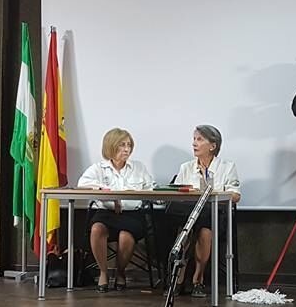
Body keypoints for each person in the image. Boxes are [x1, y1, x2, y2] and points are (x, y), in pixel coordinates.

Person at [77, 128, 155, 292]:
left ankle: (120, 273)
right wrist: (106, 192)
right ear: (111, 146)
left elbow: (151, 189)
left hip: (132, 215)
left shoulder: (139, 167)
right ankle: (103, 272)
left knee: (125, 236)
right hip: (106, 214)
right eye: (122, 145)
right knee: (97, 229)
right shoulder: (98, 168)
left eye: (129, 145)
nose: (127, 149)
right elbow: (82, 184)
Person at [172, 125, 240, 298]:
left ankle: (198, 278)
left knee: (205, 229)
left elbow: (235, 196)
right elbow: (177, 193)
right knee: (186, 227)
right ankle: (179, 278)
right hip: (190, 214)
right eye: (194, 139)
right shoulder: (186, 167)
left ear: (212, 146)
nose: (194, 143)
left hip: (216, 216)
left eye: (199, 139)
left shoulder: (227, 167)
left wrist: (215, 193)